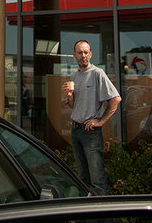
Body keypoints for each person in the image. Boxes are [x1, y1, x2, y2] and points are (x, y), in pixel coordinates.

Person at [62, 39, 121, 194]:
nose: (83, 56)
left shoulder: (97, 73)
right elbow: (73, 105)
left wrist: (100, 121)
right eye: (80, 53)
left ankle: (103, 215)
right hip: (76, 131)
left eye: (86, 52)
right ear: (74, 55)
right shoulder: (74, 77)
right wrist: (69, 95)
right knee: (82, 178)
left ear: (91, 54)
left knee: (97, 179)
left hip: (91, 133)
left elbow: (115, 99)